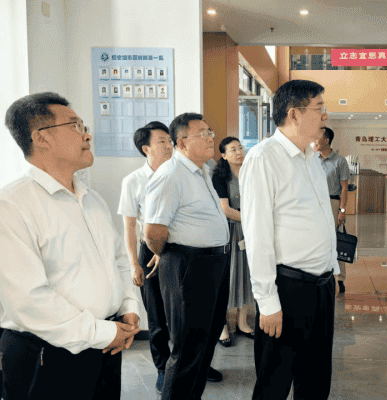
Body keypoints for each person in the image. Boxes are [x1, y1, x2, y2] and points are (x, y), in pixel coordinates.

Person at [0, 92, 140, 399]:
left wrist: (128, 307)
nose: (87, 135)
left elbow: (117, 259)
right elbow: (27, 299)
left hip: (105, 345)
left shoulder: (92, 199)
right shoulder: (12, 205)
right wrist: (102, 332)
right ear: (41, 137)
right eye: (75, 126)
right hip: (48, 353)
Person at [240, 79, 338, 400]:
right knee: (275, 382)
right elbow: (257, 235)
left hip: (321, 287)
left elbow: (323, 218)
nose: (325, 115)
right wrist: (267, 302)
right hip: (288, 289)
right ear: (294, 114)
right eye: (319, 108)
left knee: (316, 379)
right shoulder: (263, 158)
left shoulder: (311, 157)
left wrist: (333, 271)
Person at [144, 113, 230, 400]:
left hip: (213, 263)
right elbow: (153, 232)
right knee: (188, 348)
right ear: (181, 142)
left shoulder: (202, 171)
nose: (210, 138)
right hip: (189, 266)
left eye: (210, 131)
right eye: (202, 134)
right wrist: (170, 256)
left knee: (206, 341)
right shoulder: (171, 175)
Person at [117, 121, 173, 394]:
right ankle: (163, 369)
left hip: (179, 249)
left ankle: (188, 364)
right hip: (149, 252)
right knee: (158, 316)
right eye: (162, 141)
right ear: (146, 148)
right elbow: (129, 226)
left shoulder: (181, 174)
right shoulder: (133, 181)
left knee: (186, 314)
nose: (169, 145)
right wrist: (134, 264)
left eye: (170, 140)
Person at [212, 137, 255, 347]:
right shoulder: (219, 177)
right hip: (229, 231)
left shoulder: (251, 172)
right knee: (226, 277)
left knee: (247, 274)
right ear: (223, 155)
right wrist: (252, 219)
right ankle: (222, 327)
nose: (238, 152)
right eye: (233, 149)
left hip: (249, 231)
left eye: (240, 148)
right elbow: (225, 209)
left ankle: (242, 322)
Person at [313, 127, 351, 293]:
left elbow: (344, 188)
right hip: (315, 203)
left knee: (336, 241)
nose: (314, 141)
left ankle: (340, 278)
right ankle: (320, 273)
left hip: (333, 202)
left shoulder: (339, 161)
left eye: (317, 138)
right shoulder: (313, 159)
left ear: (326, 140)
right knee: (317, 240)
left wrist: (342, 210)